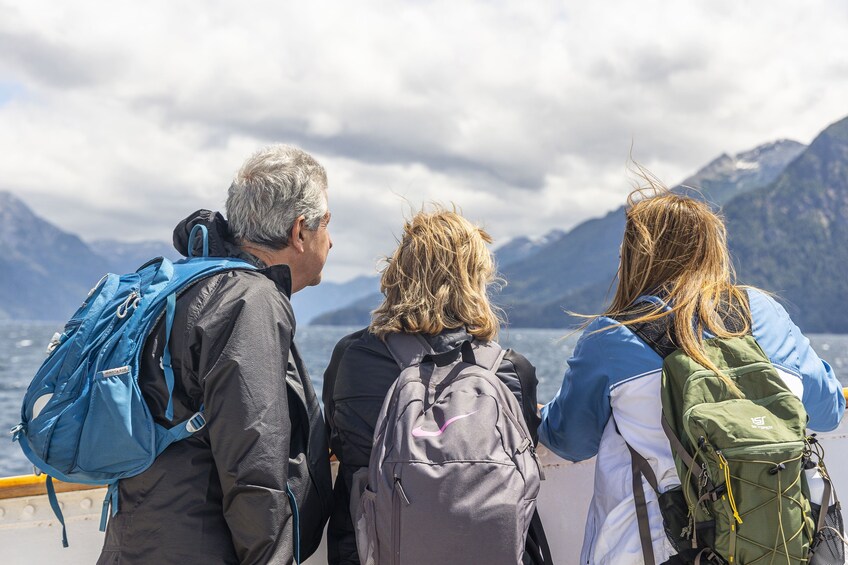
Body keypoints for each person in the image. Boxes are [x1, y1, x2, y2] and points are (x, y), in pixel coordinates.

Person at [538, 186, 845, 564]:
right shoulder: (766, 311)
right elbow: (829, 410)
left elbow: (569, 440)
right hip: (786, 543)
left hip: (657, 550)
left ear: (637, 259)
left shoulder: (612, 335)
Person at [97, 145, 334, 565]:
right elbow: (254, 466)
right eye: (327, 225)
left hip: (141, 540)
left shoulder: (189, 285)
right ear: (300, 231)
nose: (331, 242)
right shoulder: (249, 300)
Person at [322, 207, 546, 565]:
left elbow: (338, 439)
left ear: (397, 273)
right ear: (476, 280)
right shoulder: (510, 369)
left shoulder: (353, 357)